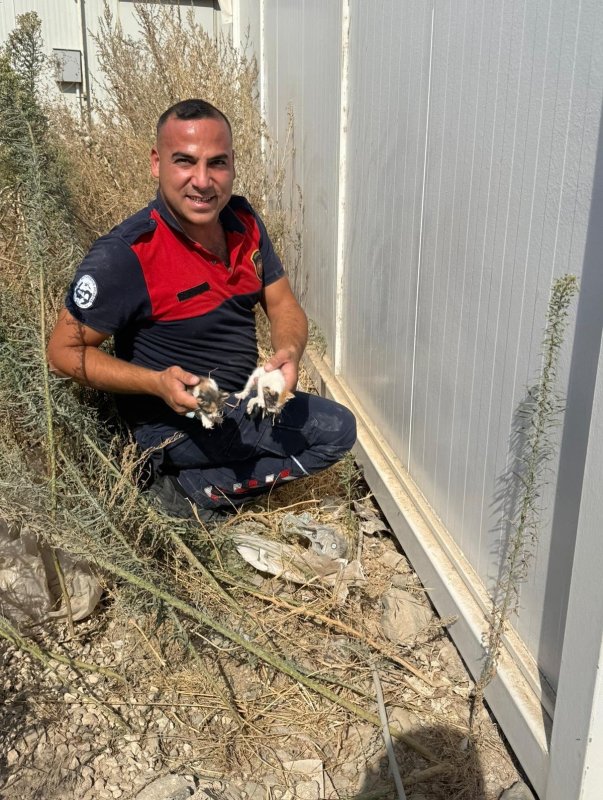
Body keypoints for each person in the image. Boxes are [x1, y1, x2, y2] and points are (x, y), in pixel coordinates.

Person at [47, 99, 356, 521]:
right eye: (185, 162)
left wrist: (288, 351)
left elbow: (283, 303)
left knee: (330, 430)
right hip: (176, 423)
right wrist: (156, 383)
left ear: (233, 163)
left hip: (239, 403)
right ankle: (188, 491)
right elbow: (63, 352)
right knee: (336, 431)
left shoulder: (244, 222)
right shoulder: (127, 254)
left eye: (217, 163)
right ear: (156, 164)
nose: (203, 181)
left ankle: (199, 485)